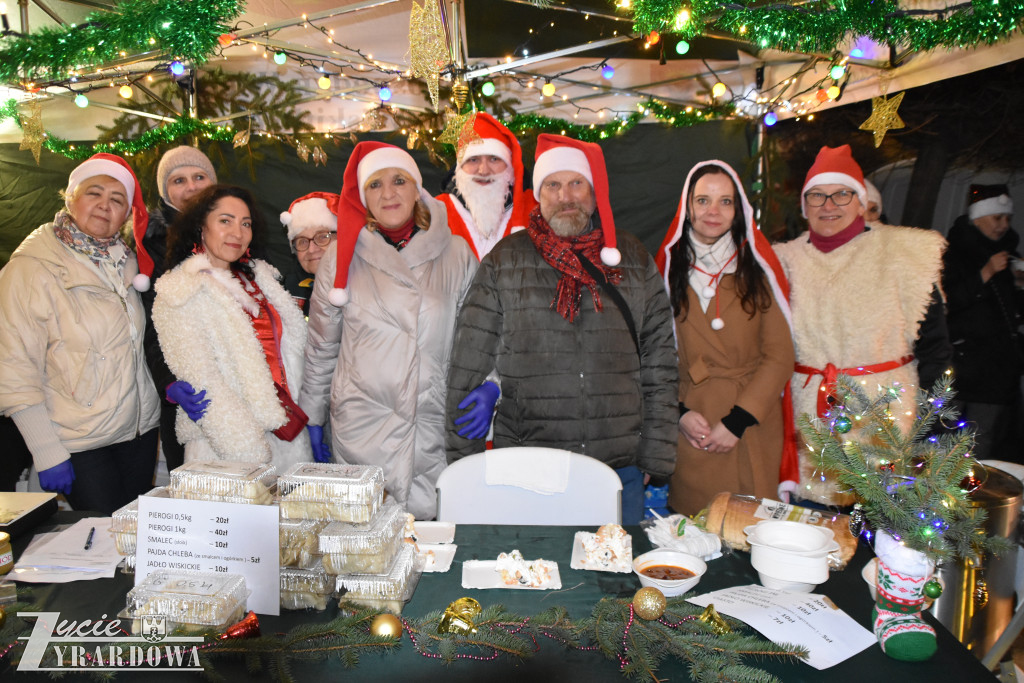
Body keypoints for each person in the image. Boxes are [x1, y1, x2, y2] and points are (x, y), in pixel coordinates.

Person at [445, 134, 679, 525]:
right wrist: (463, 462)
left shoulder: (632, 259)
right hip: (527, 467)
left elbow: (660, 361)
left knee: (616, 581)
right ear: (537, 194)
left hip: (617, 467)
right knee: (532, 576)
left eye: (576, 184)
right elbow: (468, 361)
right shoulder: (505, 261)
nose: (565, 196)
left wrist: (657, 454)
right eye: (553, 185)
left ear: (594, 192)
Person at [299, 142, 477, 519]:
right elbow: (321, 347)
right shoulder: (339, 256)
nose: (389, 193)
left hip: (429, 424)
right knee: (363, 552)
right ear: (363, 197)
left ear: (417, 189)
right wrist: (312, 417)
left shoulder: (457, 253)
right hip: (362, 425)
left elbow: (479, 335)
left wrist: (490, 384)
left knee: (430, 545)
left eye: (399, 180)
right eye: (375, 185)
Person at [774, 145, 950, 506]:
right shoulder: (782, 261)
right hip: (808, 421)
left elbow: (934, 345)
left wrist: (929, 424)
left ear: (860, 201)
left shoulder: (905, 255)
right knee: (811, 527)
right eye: (817, 196)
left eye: (842, 194)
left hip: (886, 420)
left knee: (883, 531)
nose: (829, 205)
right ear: (804, 206)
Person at [0, 153, 160, 512]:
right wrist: (45, 450)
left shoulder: (128, 263)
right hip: (79, 442)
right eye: (94, 193)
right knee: (101, 546)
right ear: (70, 197)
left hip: (138, 434)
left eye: (117, 199)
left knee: (133, 541)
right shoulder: (30, 270)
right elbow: (12, 368)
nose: (105, 206)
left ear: (126, 214)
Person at [655, 161, 795, 516]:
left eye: (725, 201)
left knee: (752, 530)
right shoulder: (667, 271)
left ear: (739, 209)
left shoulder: (759, 270)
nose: (713, 211)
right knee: (696, 532)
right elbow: (652, 355)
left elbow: (780, 354)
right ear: (687, 208)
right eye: (702, 201)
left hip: (750, 423)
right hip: (694, 425)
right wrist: (679, 413)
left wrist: (737, 421)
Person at [152, 185, 311, 470]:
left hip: (287, 434)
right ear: (201, 226)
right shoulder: (180, 290)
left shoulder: (263, 279)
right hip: (227, 445)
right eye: (225, 221)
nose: (237, 232)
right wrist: (248, 455)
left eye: (245, 223)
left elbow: (292, 354)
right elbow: (203, 381)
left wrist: (306, 422)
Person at [139, 146, 218, 475]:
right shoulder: (151, 246)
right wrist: (168, 381)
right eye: (178, 180)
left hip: (240, 382)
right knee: (190, 486)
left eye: (199, 177)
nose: (191, 187)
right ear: (165, 191)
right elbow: (148, 325)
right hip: (185, 395)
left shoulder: (238, 231)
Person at [942, 183, 1023, 463]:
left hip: (995, 369)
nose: (1003, 225)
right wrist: (985, 273)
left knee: (981, 440)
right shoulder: (954, 253)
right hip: (960, 366)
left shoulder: (1008, 254)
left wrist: (1018, 288)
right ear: (977, 218)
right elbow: (946, 302)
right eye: (996, 218)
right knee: (946, 436)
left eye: (1007, 219)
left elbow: (1008, 312)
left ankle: (971, 497)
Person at [436, 112, 532, 259]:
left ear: (509, 167)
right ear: (459, 167)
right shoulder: (437, 209)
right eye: (473, 160)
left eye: (494, 159)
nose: (484, 170)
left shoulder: (534, 208)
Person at [279, 192, 339, 314]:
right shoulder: (285, 291)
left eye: (322, 237)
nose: (311, 249)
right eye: (302, 241)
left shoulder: (368, 285)